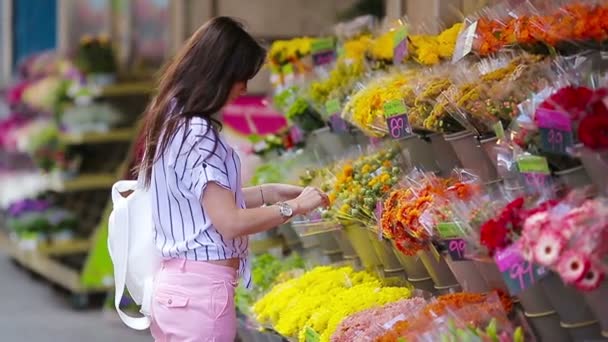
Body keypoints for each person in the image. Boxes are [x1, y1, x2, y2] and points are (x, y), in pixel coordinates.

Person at [137, 17, 329, 342]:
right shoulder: (199, 134)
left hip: (178, 289)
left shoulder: (172, 118)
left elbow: (206, 203)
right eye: (242, 77)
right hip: (202, 295)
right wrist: (293, 207)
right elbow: (229, 221)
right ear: (220, 72)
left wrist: (270, 192)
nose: (245, 88)